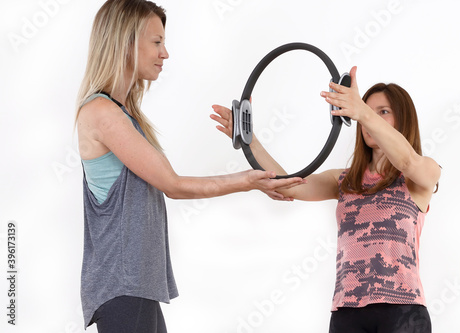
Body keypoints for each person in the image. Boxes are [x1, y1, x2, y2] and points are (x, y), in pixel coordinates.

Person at [74, 0, 304, 331]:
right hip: (122, 285)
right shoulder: (101, 113)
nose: (164, 53)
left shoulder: (123, 114)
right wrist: (249, 181)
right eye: (156, 42)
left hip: (136, 286)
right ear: (125, 42)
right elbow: (173, 184)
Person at [211, 66, 441, 333]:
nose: (370, 119)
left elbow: (406, 159)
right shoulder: (344, 181)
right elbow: (288, 186)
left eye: (383, 112)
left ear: (403, 120)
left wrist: (361, 111)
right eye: (368, 110)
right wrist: (250, 141)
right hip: (347, 313)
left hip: (403, 311)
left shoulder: (421, 174)